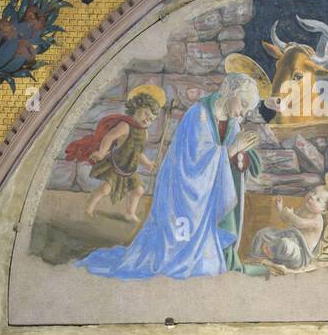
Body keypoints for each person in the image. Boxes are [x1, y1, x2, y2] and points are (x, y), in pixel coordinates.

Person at [75, 72, 263, 279]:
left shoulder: (233, 124)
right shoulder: (198, 113)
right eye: (243, 104)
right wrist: (231, 150)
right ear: (230, 92)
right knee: (175, 251)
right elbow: (193, 161)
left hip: (206, 199)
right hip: (181, 191)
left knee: (208, 267)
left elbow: (226, 162)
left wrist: (241, 155)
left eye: (248, 110)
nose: (242, 113)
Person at [64, 85, 165, 220]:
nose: (148, 119)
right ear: (136, 108)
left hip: (129, 169)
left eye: (152, 118)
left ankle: (129, 213)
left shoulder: (144, 133)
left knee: (138, 190)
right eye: (146, 113)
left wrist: (148, 164)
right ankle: (89, 205)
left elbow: (137, 152)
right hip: (116, 164)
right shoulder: (125, 126)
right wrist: (101, 152)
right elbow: (109, 137)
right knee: (105, 189)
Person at [250, 175, 328, 272]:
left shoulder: (317, 221)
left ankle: (271, 252)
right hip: (287, 238)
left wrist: (290, 214)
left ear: (323, 210)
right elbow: (288, 220)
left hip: (300, 255)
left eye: (318, 199)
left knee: (286, 245)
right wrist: (280, 209)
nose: (312, 196)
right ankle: (256, 256)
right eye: (313, 192)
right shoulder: (302, 209)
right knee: (263, 233)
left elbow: (300, 223)